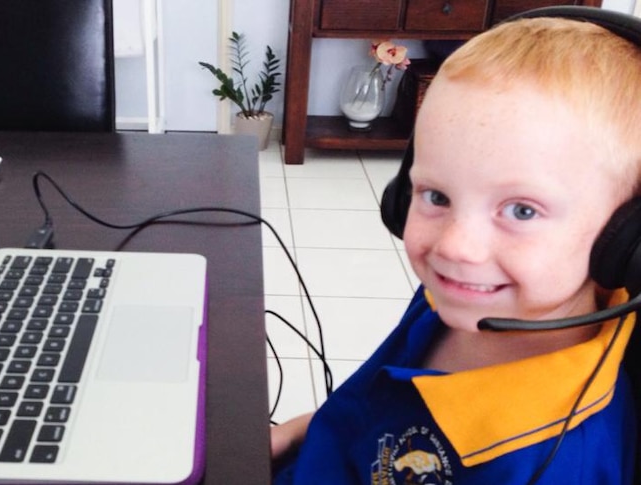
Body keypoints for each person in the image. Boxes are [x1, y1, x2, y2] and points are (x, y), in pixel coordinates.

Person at [271, 11, 641, 484]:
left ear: (626, 237)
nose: (456, 245)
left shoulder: (559, 460)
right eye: (436, 196)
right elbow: (371, 414)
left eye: (522, 211)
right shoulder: (457, 298)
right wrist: (300, 433)